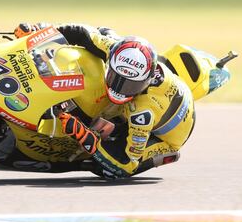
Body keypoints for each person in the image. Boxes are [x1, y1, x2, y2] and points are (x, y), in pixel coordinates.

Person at [13, 23, 196, 179]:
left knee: (109, 171)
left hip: (164, 136)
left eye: (129, 86)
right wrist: (39, 31)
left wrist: (83, 135)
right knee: (104, 31)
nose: (119, 89)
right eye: (115, 77)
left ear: (145, 81)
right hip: (162, 93)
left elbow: (128, 163)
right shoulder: (116, 49)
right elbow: (81, 32)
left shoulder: (143, 113)